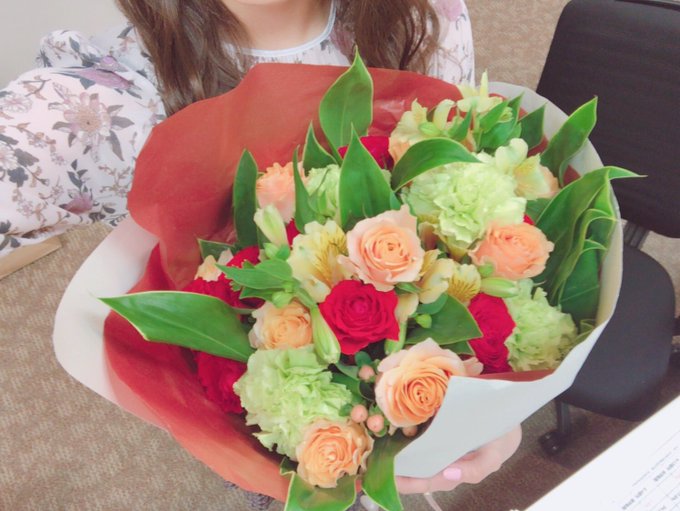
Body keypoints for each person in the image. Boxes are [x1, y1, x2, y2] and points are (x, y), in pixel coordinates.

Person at [0, 0, 521, 502]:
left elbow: (463, 185)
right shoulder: (101, 107)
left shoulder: (424, 20)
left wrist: (498, 401)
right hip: (250, 385)